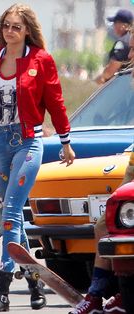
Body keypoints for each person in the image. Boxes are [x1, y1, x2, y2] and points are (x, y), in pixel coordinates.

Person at [0, 3, 75, 312]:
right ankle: (35, 283)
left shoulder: (40, 60)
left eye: (16, 26)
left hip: (28, 141)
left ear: (27, 31)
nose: (10, 31)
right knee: (14, 216)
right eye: (6, 25)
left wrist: (65, 141)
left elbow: (56, 101)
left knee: (10, 210)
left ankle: (2, 289)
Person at [68, 29, 134, 314]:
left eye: (133, 50)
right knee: (106, 225)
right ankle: (105, 296)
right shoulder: (128, 80)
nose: (129, 56)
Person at [95, 9, 133, 85]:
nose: (113, 26)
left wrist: (99, 79)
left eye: (115, 23)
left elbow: (111, 70)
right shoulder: (131, 38)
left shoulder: (122, 43)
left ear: (123, 25)